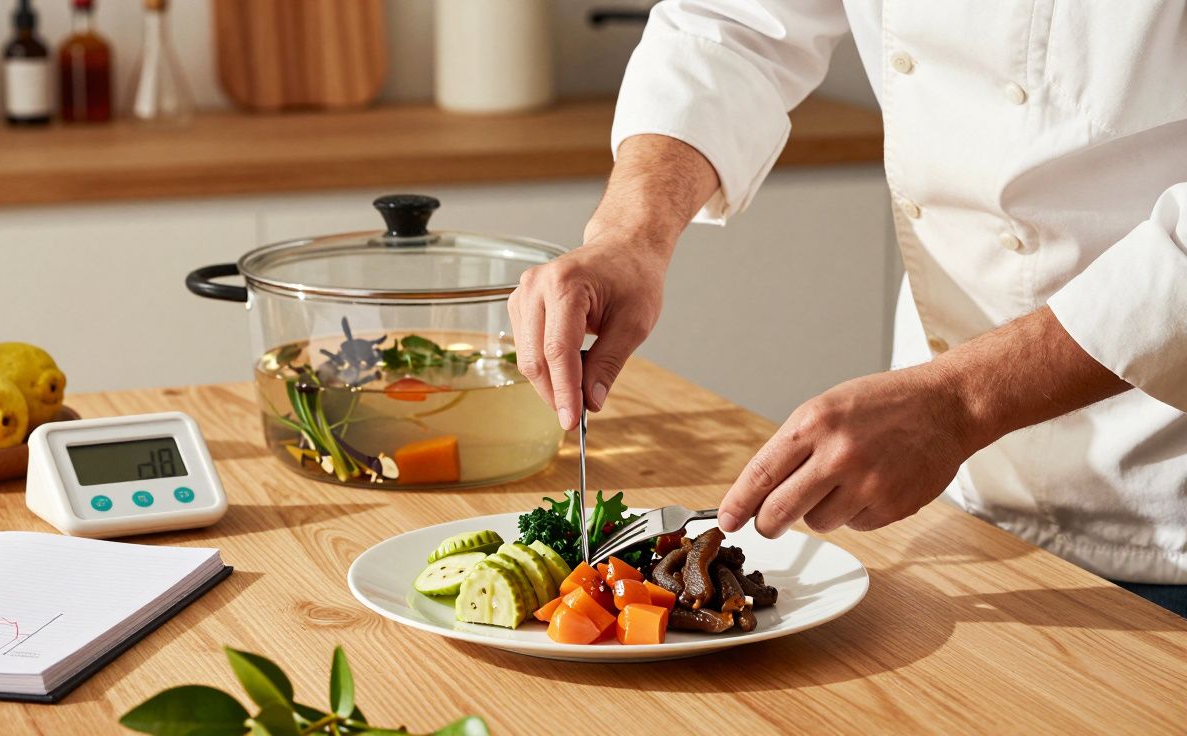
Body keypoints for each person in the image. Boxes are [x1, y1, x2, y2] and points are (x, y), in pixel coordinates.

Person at [507, 1, 1187, 616]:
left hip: (1165, 493)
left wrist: (963, 403)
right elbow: (734, 23)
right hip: (952, 512)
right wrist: (632, 231)